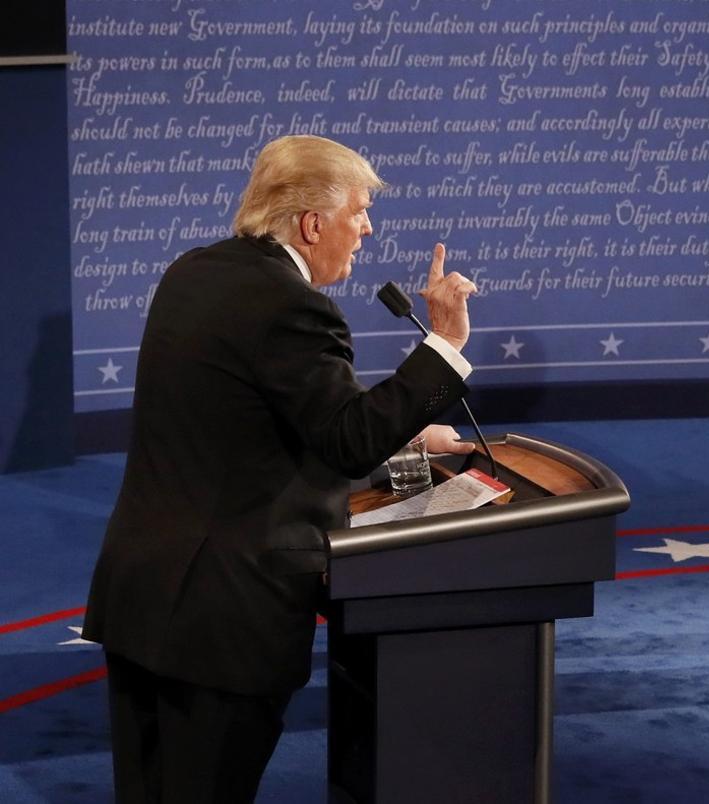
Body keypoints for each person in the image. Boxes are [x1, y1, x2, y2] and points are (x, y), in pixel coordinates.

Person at [82, 134, 479, 801]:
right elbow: (347, 440)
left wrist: (409, 446)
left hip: (145, 595)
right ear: (312, 222)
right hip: (224, 621)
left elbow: (249, 433)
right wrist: (444, 345)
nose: (366, 228)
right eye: (358, 212)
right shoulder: (292, 307)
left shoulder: (195, 272)